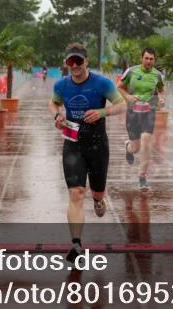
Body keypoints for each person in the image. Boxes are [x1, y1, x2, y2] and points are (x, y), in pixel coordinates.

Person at [50, 43, 126, 264]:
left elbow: (122, 105)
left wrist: (102, 111)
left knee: (97, 192)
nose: (74, 66)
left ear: (86, 62)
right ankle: (76, 244)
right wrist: (57, 116)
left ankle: (99, 199)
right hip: (73, 144)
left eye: (78, 61)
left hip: (97, 143)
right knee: (76, 193)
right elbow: (53, 104)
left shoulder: (101, 83)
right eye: (70, 62)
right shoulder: (61, 85)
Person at [117, 47, 166, 192]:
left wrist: (161, 98)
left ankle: (142, 177)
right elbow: (119, 87)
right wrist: (128, 97)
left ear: (154, 60)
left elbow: (162, 89)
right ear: (141, 58)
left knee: (146, 141)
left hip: (149, 111)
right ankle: (128, 148)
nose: (149, 61)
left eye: (151, 59)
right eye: (146, 58)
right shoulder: (131, 72)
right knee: (136, 147)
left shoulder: (157, 75)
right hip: (132, 113)